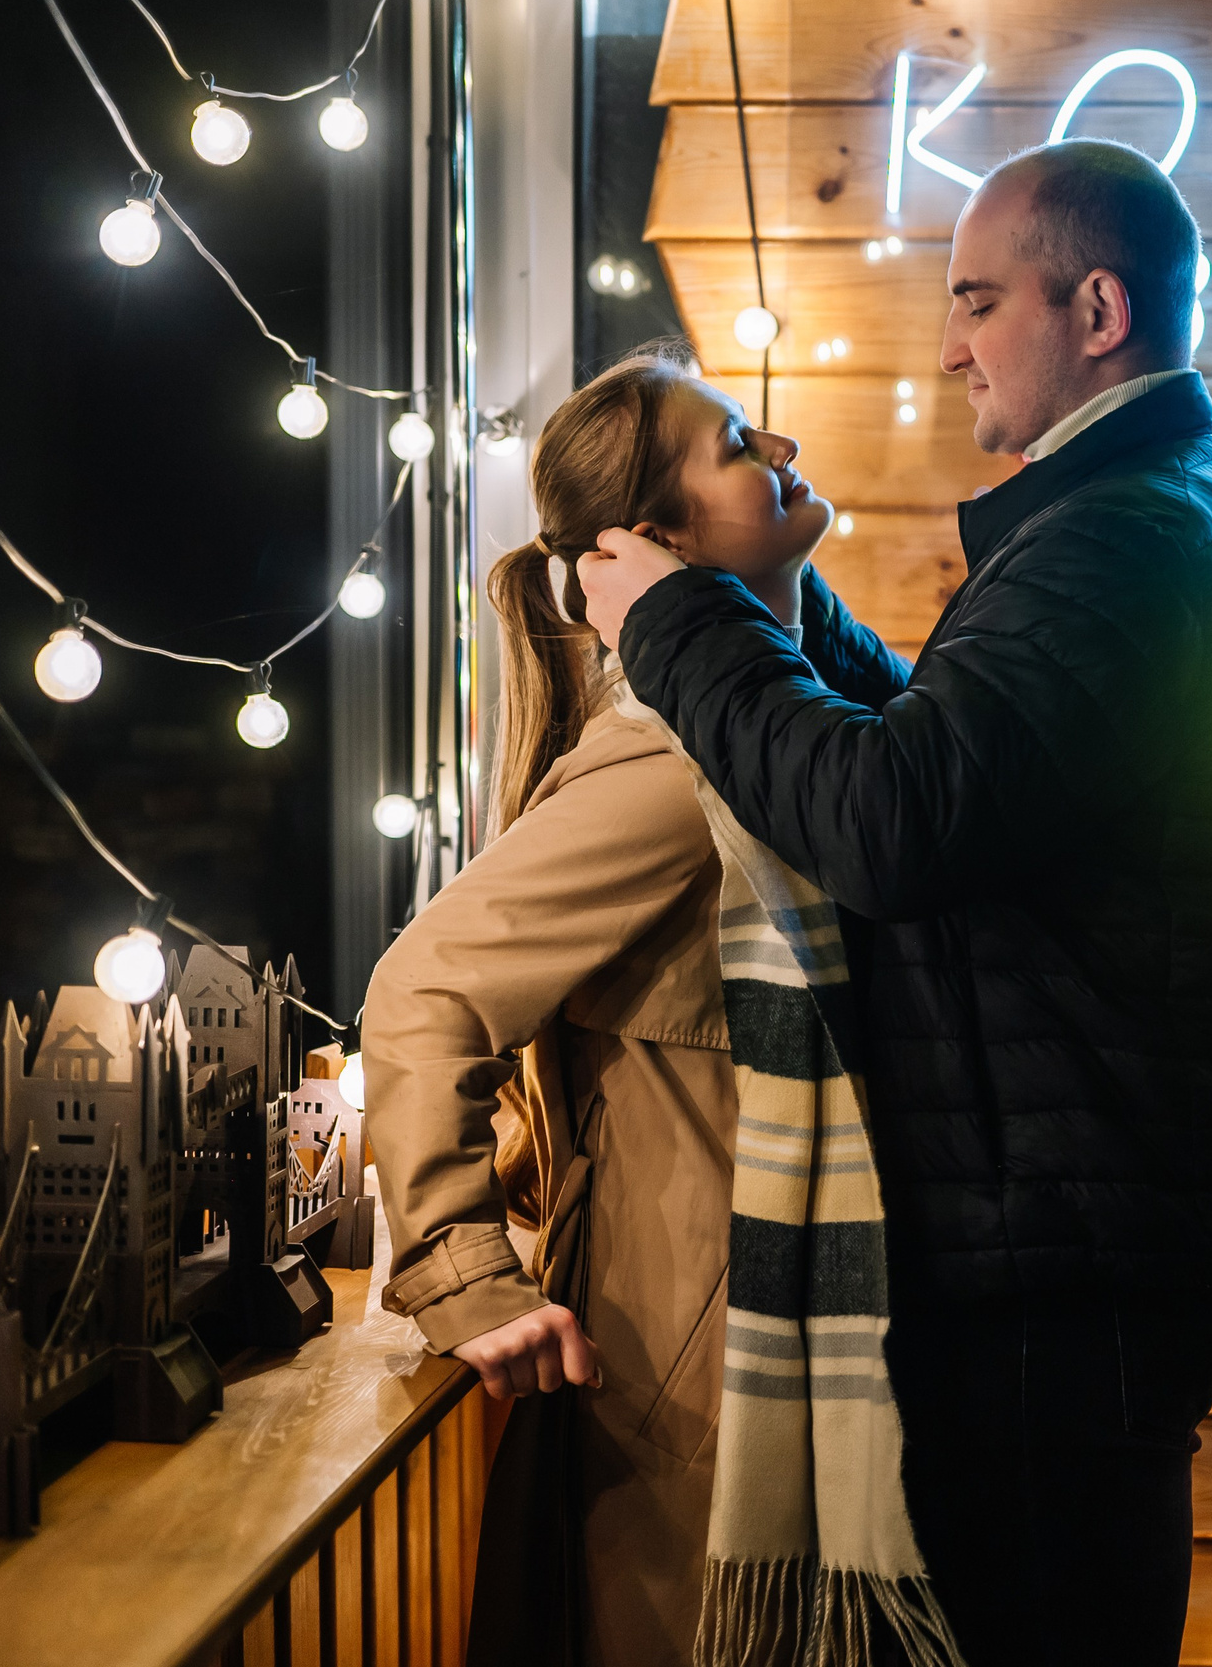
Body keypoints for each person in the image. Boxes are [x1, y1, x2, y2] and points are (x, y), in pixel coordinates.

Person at [576, 139, 1212, 1665]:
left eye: (981, 299)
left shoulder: (1122, 538)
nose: (951, 341)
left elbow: (897, 821)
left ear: (1097, 307)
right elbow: (960, 752)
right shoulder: (1131, 510)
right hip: (1097, 1204)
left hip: (1085, 1232)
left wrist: (676, 622)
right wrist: (769, 610)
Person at [362, 341, 838, 1667]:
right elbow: (421, 988)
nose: (783, 452)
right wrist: (463, 1270)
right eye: (740, 444)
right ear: (657, 537)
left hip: (770, 1339)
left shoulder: (769, 722)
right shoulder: (676, 757)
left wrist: (781, 591)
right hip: (695, 1363)